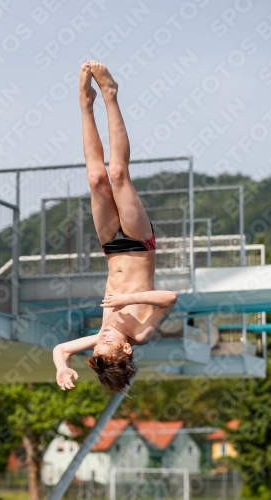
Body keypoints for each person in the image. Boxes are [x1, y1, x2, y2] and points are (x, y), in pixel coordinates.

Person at [53, 61, 177, 393]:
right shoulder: (140, 333)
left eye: (98, 343)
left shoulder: (106, 334)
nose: (103, 335)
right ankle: (110, 95)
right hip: (139, 245)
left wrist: (62, 367)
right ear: (126, 349)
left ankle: (85, 103)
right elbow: (170, 297)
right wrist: (129, 298)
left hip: (111, 248)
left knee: (96, 178)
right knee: (118, 174)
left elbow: (61, 349)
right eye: (107, 340)